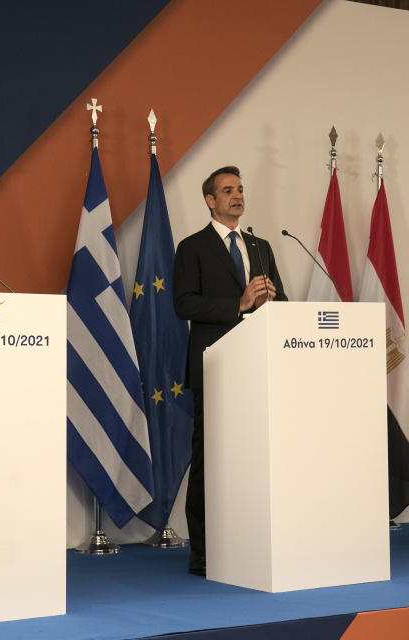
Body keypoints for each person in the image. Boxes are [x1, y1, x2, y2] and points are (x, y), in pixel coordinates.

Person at [172, 166, 287, 576]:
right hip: (216, 368)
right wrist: (238, 304)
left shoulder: (261, 246)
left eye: (240, 189)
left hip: (260, 369)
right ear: (210, 200)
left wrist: (273, 301)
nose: (237, 196)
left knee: (257, 458)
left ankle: (251, 540)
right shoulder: (193, 247)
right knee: (210, 460)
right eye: (227, 191)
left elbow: (282, 303)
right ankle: (203, 552)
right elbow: (183, 304)